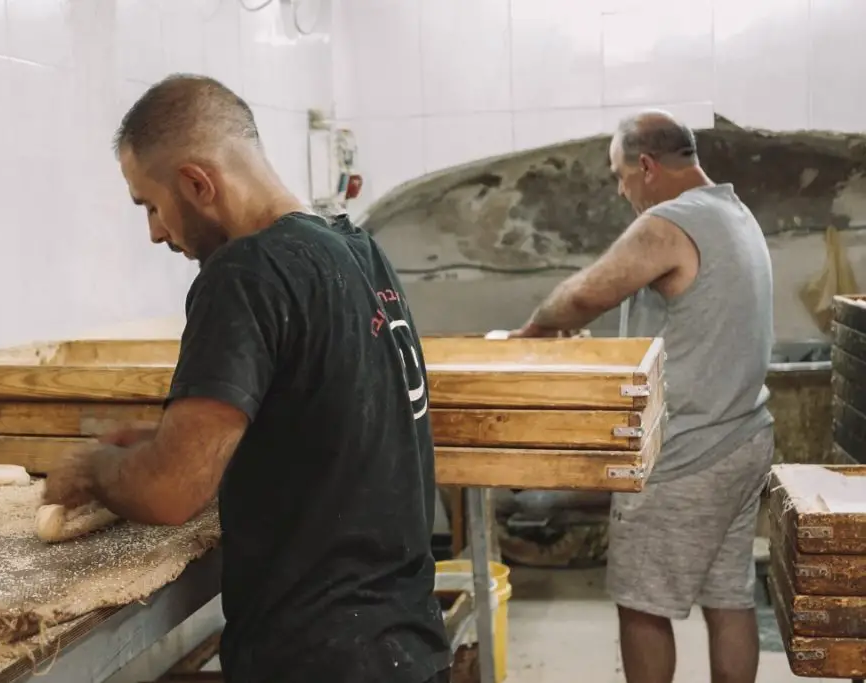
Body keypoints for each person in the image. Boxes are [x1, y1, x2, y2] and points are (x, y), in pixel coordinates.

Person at [42, 74, 451, 683]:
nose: (155, 231)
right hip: (403, 644)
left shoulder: (246, 274)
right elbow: (322, 428)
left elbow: (170, 492)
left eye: (150, 206)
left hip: (317, 658)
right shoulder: (357, 250)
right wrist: (165, 443)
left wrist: (94, 470)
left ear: (197, 183)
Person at [510, 110, 774, 683]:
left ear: (647, 166)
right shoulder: (734, 211)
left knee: (641, 604)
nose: (620, 189)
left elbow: (586, 294)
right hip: (744, 435)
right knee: (728, 595)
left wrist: (533, 332)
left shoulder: (668, 223)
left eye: (620, 175)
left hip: (686, 452)